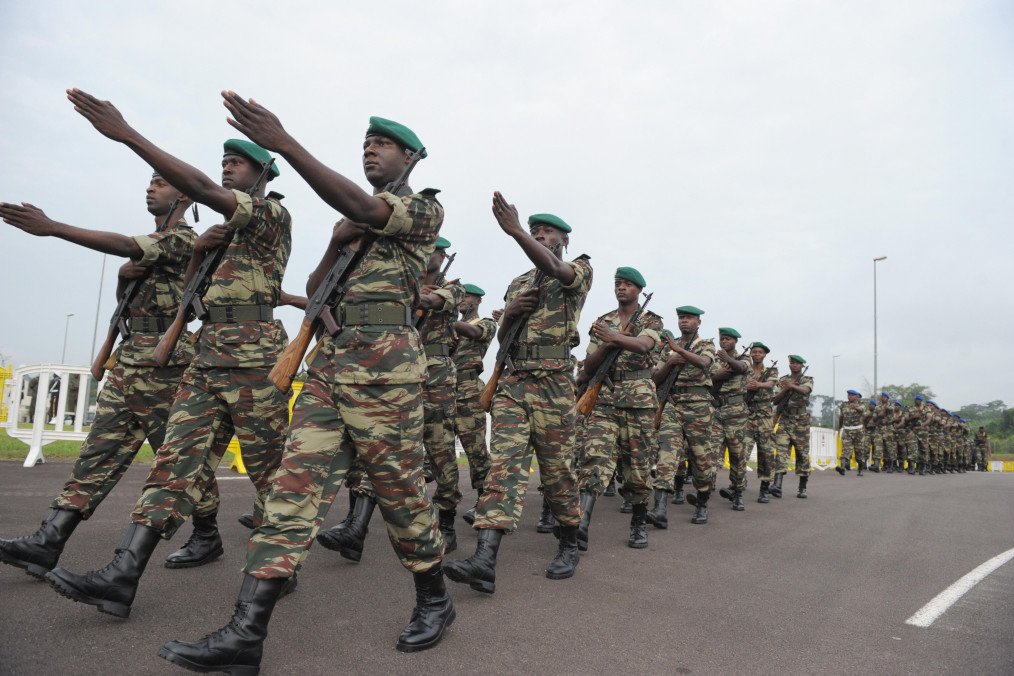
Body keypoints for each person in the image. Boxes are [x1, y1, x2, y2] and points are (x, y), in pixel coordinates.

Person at [159, 97, 455, 673]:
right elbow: (318, 285)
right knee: (292, 495)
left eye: (384, 145)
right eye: (367, 143)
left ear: (411, 158)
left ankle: (436, 599)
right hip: (328, 371)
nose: (371, 149)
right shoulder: (355, 221)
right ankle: (246, 634)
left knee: (401, 499)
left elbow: (360, 205)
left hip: (385, 379)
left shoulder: (424, 211)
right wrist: (335, 241)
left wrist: (287, 145)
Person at [45, 90, 292, 619]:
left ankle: (277, 565)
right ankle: (122, 574)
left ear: (265, 173)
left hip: (253, 359)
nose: (226, 168)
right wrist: (199, 255)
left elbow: (200, 189)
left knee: (272, 474)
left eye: (239, 161)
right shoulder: (217, 237)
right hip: (205, 359)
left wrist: (127, 133)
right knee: (172, 464)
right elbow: (187, 298)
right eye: (224, 161)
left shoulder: (271, 217)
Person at [0, 175, 213, 578]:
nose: (151, 189)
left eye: (161, 184)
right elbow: (128, 302)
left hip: (165, 366)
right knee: (98, 452)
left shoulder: (186, 240)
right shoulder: (150, 248)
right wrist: (121, 278)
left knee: (179, 460)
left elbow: (127, 244)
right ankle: (48, 541)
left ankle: (206, 531)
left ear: (183, 195)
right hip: (129, 359)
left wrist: (54, 227)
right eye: (149, 183)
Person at [445, 200, 592, 593]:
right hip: (514, 382)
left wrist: (516, 232)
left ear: (564, 238)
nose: (541, 236)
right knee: (503, 467)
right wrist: (509, 314)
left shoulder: (578, 268)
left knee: (558, 472)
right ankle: (485, 559)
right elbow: (503, 344)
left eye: (548, 233)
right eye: (535, 230)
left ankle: (568, 542)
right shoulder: (518, 283)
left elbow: (557, 269)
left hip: (555, 386)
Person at [316, 237, 465, 558]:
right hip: (398, 370)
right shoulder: (397, 281)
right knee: (380, 448)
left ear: (442, 257)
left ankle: (448, 521)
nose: (430, 255)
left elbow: (436, 300)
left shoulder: (453, 287)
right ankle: (357, 527)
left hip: (436, 379)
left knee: (440, 452)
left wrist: (415, 295)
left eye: (436, 251)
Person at [574, 267, 662, 549]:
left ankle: (638, 521)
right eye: (618, 284)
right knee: (594, 458)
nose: (621, 288)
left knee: (637, 468)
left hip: (638, 401)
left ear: (638, 289)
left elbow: (644, 345)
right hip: (606, 398)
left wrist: (615, 338)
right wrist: (607, 344)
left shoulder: (651, 319)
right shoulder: (603, 322)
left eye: (627, 284)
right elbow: (589, 365)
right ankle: (581, 526)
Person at [649, 306, 716, 526]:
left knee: (700, 458)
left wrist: (680, 351)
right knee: (666, 454)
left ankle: (702, 502)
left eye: (688, 318)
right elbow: (655, 378)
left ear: (698, 322)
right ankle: (659, 509)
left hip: (699, 408)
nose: (684, 321)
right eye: (681, 318)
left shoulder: (706, 345)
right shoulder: (668, 349)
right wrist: (669, 361)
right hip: (673, 405)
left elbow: (704, 363)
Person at [451, 284, 498, 525]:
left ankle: (485, 505)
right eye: (460, 295)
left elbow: (473, 332)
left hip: (469, 393)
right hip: (443, 391)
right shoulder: (447, 327)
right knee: (438, 452)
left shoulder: (486, 322)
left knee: (477, 454)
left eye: (467, 296)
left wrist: (446, 320)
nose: (462, 299)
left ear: (478, 300)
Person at [712, 328, 751, 511]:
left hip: (736, 412)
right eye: (722, 339)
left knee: (737, 454)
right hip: (716, 409)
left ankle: (737, 491)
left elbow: (742, 368)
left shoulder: (744, 358)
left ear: (735, 341)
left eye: (728, 339)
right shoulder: (713, 357)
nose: (724, 342)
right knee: (710, 452)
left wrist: (728, 360)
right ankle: (705, 489)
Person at [771, 355, 814, 498]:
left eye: (797, 363)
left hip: (801, 421)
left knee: (802, 455)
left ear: (802, 366)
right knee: (781, 452)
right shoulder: (782, 380)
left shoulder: (807, 379)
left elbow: (805, 391)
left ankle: (802, 487)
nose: (794, 365)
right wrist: (785, 389)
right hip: (785, 420)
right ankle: (777, 485)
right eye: (792, 363)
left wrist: (792, 386)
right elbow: (775, 400)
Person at [744, 342, 779, 502]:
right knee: (741, 451)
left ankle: (765, 488)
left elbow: (771, 383)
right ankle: (737, 485)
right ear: (751, 354)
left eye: (760, 352)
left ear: (765, 355)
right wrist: (746, 387)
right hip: (747, 415)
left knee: (766, 453)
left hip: (764, 416)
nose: (757, 354)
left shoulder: (771, 370)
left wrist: (758, 384)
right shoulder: (745, 369)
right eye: (754, 352)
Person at [836, 389, 866, 476]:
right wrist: (839, 427)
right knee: (845, 450)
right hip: (847, 430)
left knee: (859, 451)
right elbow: (841, 417)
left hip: (858, 431)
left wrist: (855, 407)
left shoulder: (862, 404)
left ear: (856, 397)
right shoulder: (844, 405)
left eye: (852, 395)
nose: (849, 397)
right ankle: (842, 468)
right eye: (848, 395)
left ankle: (860, 470)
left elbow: (862, 410)